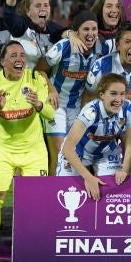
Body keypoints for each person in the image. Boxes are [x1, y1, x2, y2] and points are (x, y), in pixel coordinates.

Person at [0, 41, 55, 247]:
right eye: (13, 56)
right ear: (2, 61)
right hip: (2, 148)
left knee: (36, 201)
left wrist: (38, 104)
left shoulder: (35, 78)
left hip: (33, 150)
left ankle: (33, 250)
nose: (19, 59)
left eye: (22, 55)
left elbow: (50, 113)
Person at [41, 10, 111, 175]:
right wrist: (50, 89)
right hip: (55, 105)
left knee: (75, 155)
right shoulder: (63, 47)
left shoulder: (102, 50)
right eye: (86, 29)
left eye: (94, 29)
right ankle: (52, 194)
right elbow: (39, 70)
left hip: (78, 107)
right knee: (58, 153)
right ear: (76, 31)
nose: (91, 33)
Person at [86, 24, 131, 172]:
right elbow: (89, 96)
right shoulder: (101, 66)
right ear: (118, 45)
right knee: (103, 162)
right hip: (105, 115)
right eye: (127, 42)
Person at [56, 74, 131, 201]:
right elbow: (67, 149)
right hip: (77, 153)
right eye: (113, 93)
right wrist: (88, 177)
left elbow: (129, 146)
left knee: (113, 191)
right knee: (68, 191)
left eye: (122, 94)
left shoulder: (130, 110)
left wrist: (124, 170)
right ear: (102, 95)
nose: (118, 99)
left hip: (105, 153)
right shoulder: (90, 112)